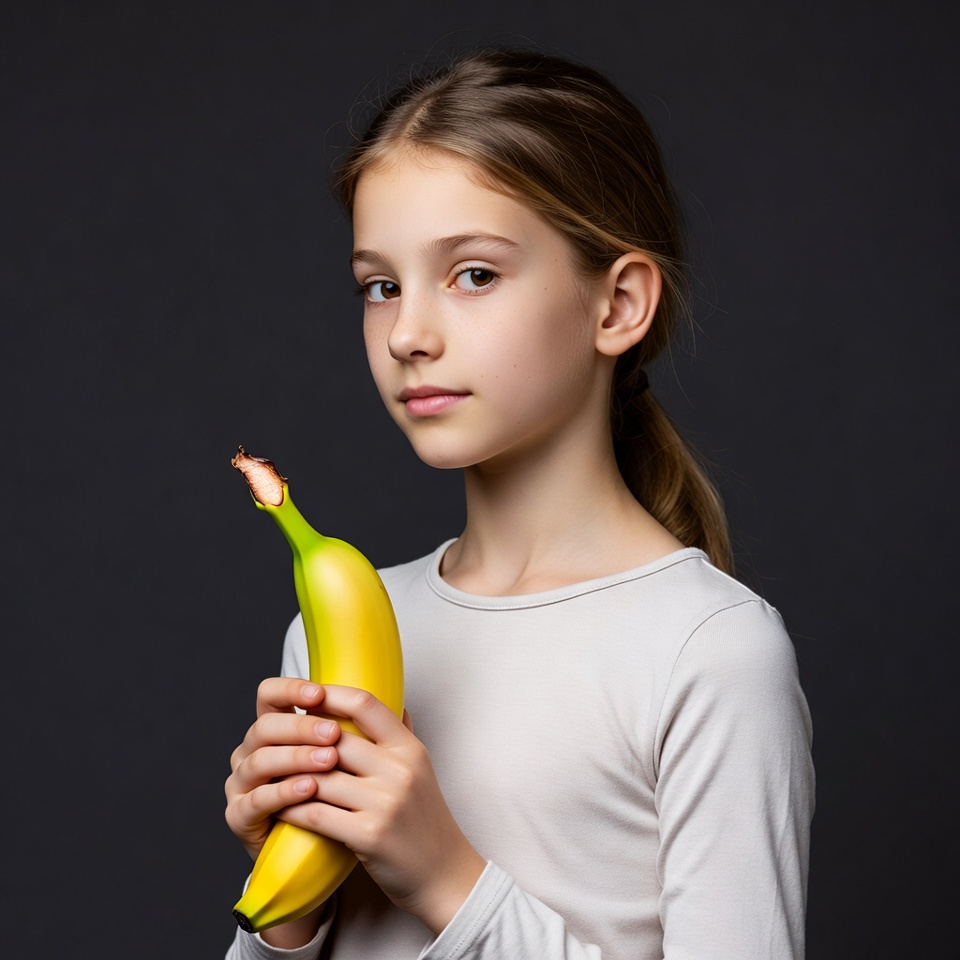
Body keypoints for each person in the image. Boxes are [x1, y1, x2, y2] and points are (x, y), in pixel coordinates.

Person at [224, 48, 814, 960]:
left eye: (474, 274)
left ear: (617, 305)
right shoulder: (346, 630)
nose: (409, 335)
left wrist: (449, 880)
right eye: (380, 286)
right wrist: (286, 910)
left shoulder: (709, 653)